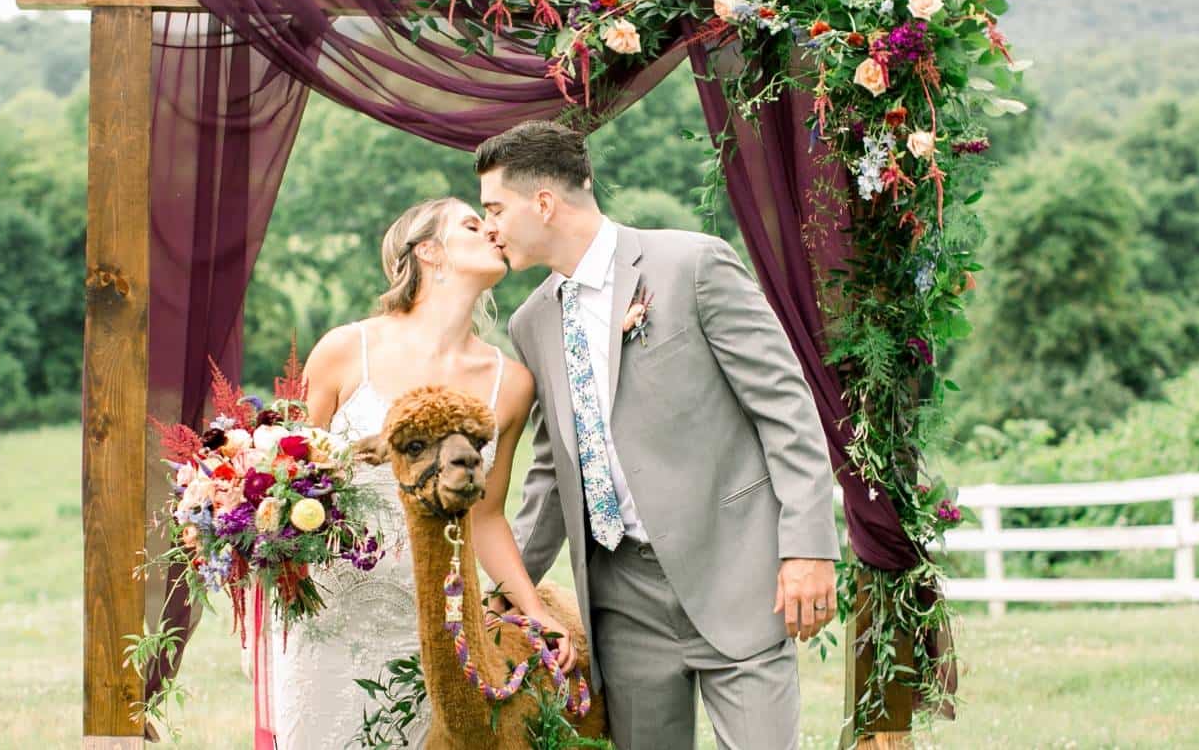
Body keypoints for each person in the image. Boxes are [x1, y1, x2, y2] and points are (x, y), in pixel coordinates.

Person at [476, 120, 841, 749]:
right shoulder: (531, 322)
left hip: (736, 569)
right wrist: (510, 590)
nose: (489, 228)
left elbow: (787, 407)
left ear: (542, 203)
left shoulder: (692, 264)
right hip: (621, 599)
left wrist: (808, 546)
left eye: (494, 208)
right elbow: (550, 470)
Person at [269, 197, 574, 749]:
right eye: (473, 224)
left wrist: (536, 612)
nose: (494, 233)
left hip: (435, 620)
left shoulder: (511, 382)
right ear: (429, 250)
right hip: (330, 617)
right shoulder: (345, 350)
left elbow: (486, 519)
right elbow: (283, 482)